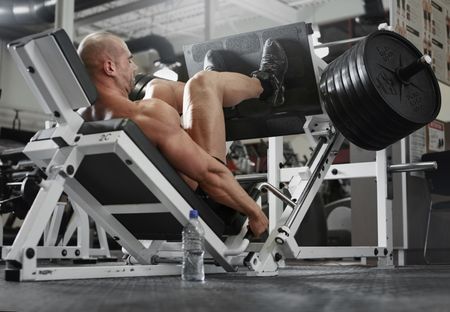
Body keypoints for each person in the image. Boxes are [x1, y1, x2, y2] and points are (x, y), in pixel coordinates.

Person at [77, 32, 288, 237]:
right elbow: (210, 175)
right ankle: (266, 84)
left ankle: (220, 95)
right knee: (203, 82)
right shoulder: (146, 116)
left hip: (142, 213)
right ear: (110, 67)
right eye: (129, 60)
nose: (134, 67)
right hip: (198, 203)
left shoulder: (78, 121)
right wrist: (255, 212)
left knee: (158, 88)